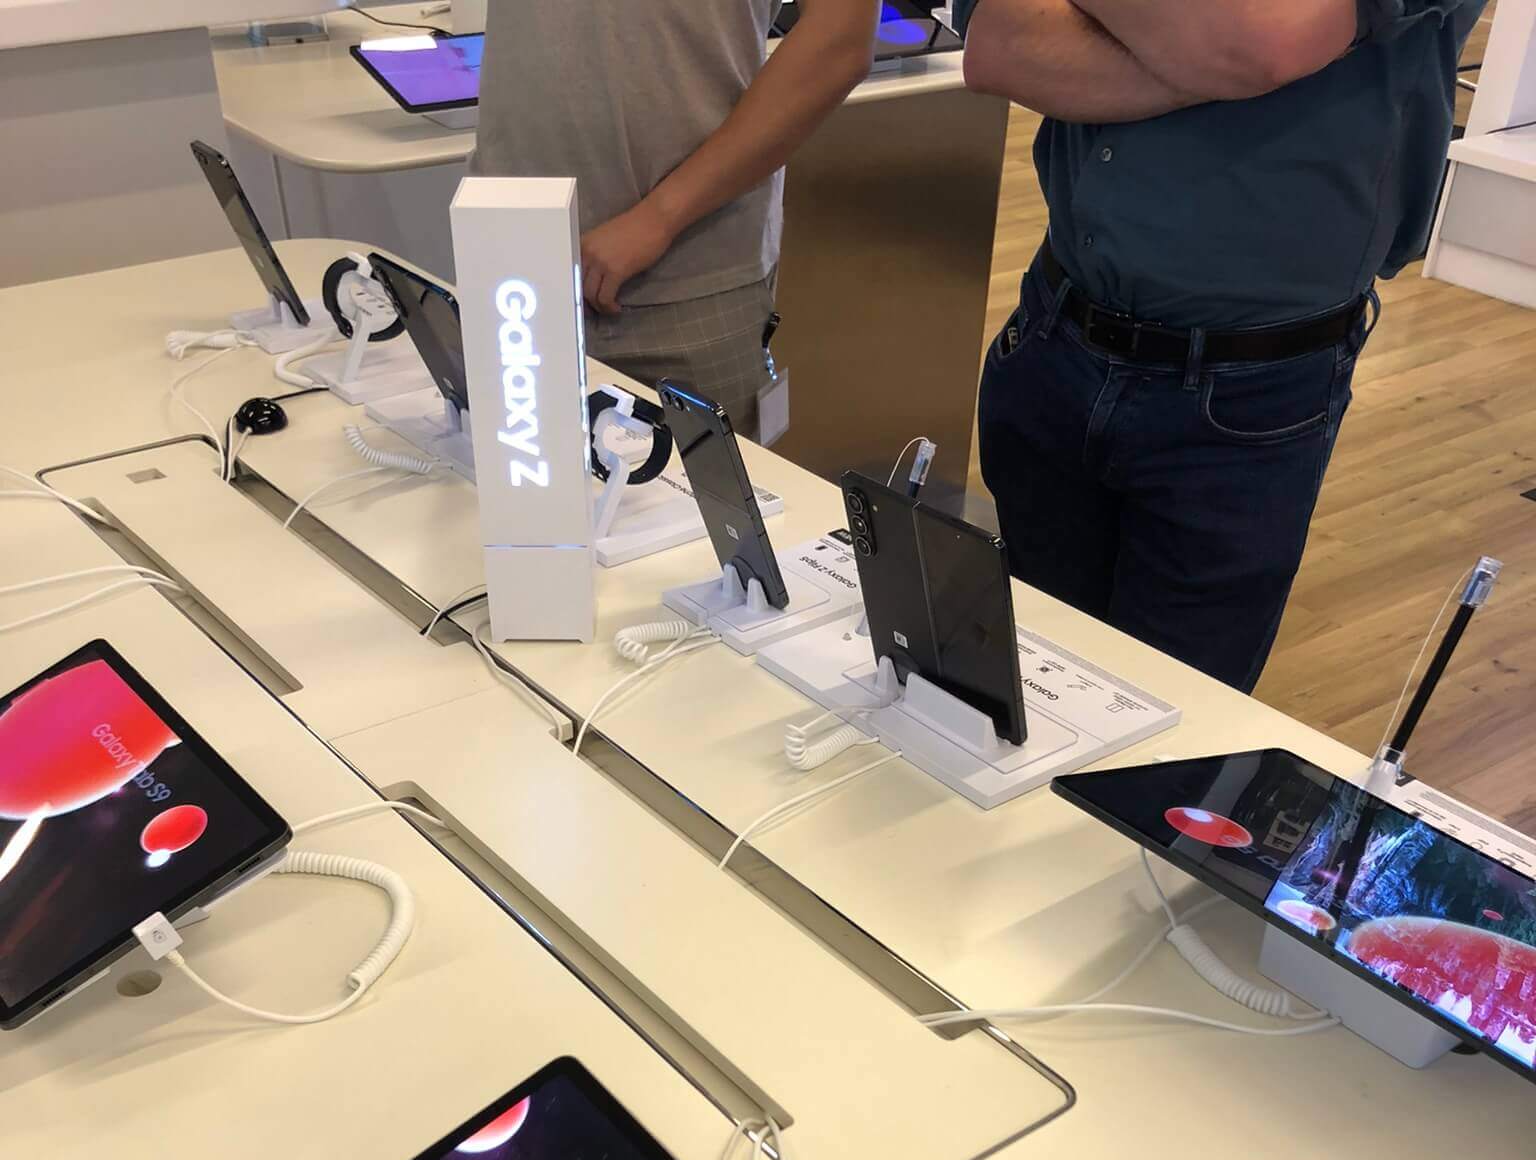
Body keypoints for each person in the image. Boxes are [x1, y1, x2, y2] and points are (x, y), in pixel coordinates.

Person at [957, 0, 1488, 693]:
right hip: (1056, 334)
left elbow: (1260, 45)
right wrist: (1207, 57)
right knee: (1028, 684)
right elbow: (999, 48)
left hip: (1248, 391)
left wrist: (1218, 54)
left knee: (1169, 722)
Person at [473, 0, 878, 438]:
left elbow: (843, 38)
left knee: (706, 483)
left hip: (682, 283)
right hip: (514, 271)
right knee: (487, 477)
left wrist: (661, 216)